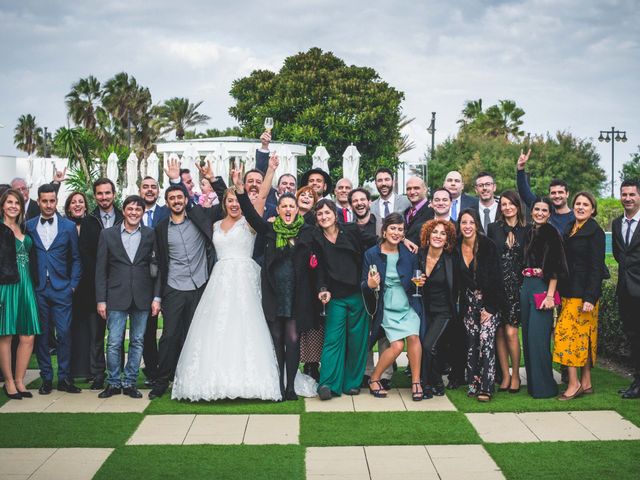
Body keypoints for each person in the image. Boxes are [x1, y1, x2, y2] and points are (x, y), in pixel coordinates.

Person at [172, 176, 282, 402]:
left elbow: (261, 195)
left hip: (244, 279)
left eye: (237, 201)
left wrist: (270, 168)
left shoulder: (250, 223)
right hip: (220, 280)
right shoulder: (214, 225)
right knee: (217, 327)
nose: (234, 204)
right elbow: (190, 209)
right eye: (230, 200)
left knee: (245, 325)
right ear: (224, 203)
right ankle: (213, 379)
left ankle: (250, 380)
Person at [235, 157, 317, 400]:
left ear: (297, 209)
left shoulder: (307, 232)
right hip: (273, 292)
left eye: (292, 206)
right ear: (278, 210)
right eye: (284, 207)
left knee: (292, 339)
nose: (289, 210)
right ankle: (278, 384)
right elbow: (250, 215)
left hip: (297, 293)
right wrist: (240, 190)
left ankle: (291, 386)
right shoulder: (270, 229)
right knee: (276, 338)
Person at [95, 195, 161, 399]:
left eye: (138, 210)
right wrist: (101, 300)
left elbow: (158, 268)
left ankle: (130, 381)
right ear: (123, 211)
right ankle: (114, 382)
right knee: (114, 341)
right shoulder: (108, 234)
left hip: (143, 296)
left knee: (137, 341)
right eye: (130, 209)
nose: (134, 213)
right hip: (115, 295)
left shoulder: (151, 234)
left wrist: (157, 297)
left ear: (142, 213)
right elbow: (100, 269)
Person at [313, 199, 376, 400]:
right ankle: (328, 384)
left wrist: (403, 240)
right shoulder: (316, 238)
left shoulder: (351, 230)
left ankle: (352, 383)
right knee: (332, 340)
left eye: (327, 212)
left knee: (357, 341)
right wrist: (322, 288)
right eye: (320, 214)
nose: (324, 217)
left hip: (358, 294)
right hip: (335, 297)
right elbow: (318, 268)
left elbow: (374, 242)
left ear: (335, 214)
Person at [26, 183, 82, 394]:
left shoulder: (68, 226)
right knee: (42, 335)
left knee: (65, 334)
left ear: (56, 202)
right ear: (38, 201)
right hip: (38, 288)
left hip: (62, 289)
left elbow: (76, 259)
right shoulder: (29, 225)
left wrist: (73, 286)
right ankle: (46, 378)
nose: (48, 205)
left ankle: (65, 379)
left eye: (52, 201)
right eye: (44, 201)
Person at [362, 213, 424, 400]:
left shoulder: (409, 253)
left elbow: (416, 278)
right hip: (385, 305)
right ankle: (374, 378)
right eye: (393, 228)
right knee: (397, 345)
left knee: (414, 337)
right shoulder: (371, 253)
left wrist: (419, 282)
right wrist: (370, 285)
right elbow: (363, 283)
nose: (396, 233)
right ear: (384, 230)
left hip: (407, 304)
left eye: (400, 229)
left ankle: (416, 382)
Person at [553, 192, 606, 400]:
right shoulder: (569, 228)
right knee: (582, 338)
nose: (581, 207)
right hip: (568, 292)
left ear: (593, 209)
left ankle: (573, 384)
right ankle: (586, 382)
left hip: (584, 295)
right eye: (578, 204)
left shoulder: (596, 232)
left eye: (586, 204)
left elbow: (596, 268)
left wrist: (590, 298)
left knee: (567, 338)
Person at [521, 197, 567, 399]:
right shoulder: (530, 231)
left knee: (538, 339)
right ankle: (534, 385)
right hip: (526, 287)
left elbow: (556, 267)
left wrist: (550, 295)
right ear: (531, 211)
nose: (539, 213)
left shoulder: (551, 232)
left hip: (542, 288)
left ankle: (545, 388)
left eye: (544, 210)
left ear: (549, 213)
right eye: (536, 209)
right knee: (528, 339)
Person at [487, 190, 531, 393]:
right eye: (503, 204)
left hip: (518, 287)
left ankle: (515, 375)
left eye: (510, 204)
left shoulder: (528, 230)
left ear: (517, 206)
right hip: (497, 287)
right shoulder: (493, 228)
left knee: (512, 332)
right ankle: (504, 375)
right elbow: (489, 256)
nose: (507, 207)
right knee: (499, 333)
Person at [457, 209, 501, 402]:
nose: (467, 226)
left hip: (489, 302)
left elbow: (496, 278)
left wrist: (489, 308)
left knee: (486, 340)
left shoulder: (487, 246)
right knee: (472, 343)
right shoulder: (456, 247)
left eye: (471, 222)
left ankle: (487, 386)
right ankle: (473, 383)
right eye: (463, 222)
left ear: (477, 225)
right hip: (468, 304)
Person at [0, 189, 40, 399]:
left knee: (28, 335)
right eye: (9, 202)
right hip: (5, 286)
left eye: (17, 203)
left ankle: (19, 380)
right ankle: (8, 382)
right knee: (5, 335)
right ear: (2, 205)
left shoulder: (24, 227)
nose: (13, 206)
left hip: (26, 285)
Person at [419, 219, 460, 398]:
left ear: (448, 239)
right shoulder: (419, 256)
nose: (438, 236)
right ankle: (429, 381)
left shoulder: (451, 259)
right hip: (423, 309)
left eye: (443, 233)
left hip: (444, 310)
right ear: (428, 235)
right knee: (423, 345)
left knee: (428, 346)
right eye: (435, 232)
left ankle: (431, 382)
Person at [139, 176, 170, 386]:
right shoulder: (131, 212)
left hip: (167, 277)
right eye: (146, 187)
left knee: (171, 328)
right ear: (139, 190)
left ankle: (170, 369)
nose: (150, 190)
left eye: (153, 187)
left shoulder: (166, 213)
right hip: (140, 280)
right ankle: (152, 371)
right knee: (146, 329)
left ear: (158, 191)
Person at [612, 179, 640, 399]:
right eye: (624, 194)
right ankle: (637, 382)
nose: (628, 198)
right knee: (633, 337)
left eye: (632, 194)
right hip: (625, 291)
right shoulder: (616, 223)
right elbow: (619, 255)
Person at [64, 192, 94, 382]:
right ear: (68, 207)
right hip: (67, 284)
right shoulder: (63, 226)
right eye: (73, 202)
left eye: (80, 202)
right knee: (70, 328)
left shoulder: (93, 224)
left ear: (85, 206)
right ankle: (72, 370)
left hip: (90, 284)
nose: (77, 205)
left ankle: (92, 370)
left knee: (91, 329)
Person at [517, 149, 574, 233]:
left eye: (560, 192)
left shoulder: (575, 217)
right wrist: (520, 169)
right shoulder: (544, 211)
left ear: (567, 194)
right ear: (549, 195)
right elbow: (524, 192)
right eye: (553, 193)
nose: (557, 196)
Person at [371, 167, 410, 236]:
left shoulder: (406, 201)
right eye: (380, 180)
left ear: (393, 182)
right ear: (376, 183)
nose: (383, 183)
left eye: (387, 179)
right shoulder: (371, 207)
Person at [404, 177, 434, 248]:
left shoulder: (432, 211)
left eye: (416, 188)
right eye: (409, 189)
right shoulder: (406, 211)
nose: (412, 192)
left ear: (425, 189)